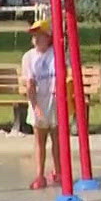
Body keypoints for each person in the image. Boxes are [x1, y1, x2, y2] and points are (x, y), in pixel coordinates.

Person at [21, 20, 59, 189]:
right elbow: (29, 84)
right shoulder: (29, 57)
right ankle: (39, 175)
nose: (36, 39)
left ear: (48, 37)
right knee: (40, 140)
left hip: (55, 100)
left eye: (40, 35)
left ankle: (59, 172)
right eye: (34, 36)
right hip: (38, 100)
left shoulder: (55, 54)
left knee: (57, 139)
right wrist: (35, 106)